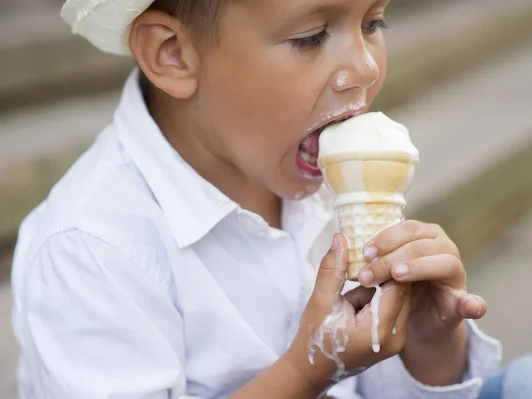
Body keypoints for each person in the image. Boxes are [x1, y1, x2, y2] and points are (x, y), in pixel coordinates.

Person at [10, 0, 502, 398]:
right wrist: (306, 372)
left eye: (374, 22)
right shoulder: (92, 248)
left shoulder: (316, 174)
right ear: (173, 54)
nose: (366, 66)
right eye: (309, 36)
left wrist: (430, 344)